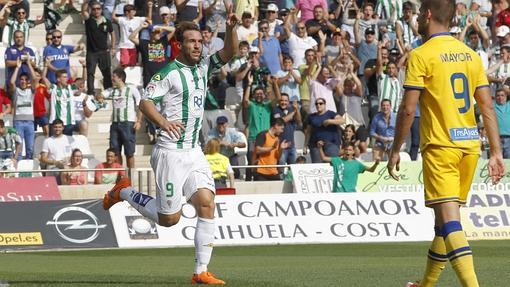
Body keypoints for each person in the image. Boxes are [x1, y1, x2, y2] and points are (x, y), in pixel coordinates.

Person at [103, 17, 239, 285]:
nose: (198, 46)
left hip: (194, 152)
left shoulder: (203, 67)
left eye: (201, 41)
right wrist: (163, 122)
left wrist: (232, 29)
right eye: (192, 41)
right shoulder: (166, 73)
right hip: (169, 153)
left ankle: (200, 272)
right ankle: (124, 191)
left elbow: (229, 52)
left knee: (207, 203)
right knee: (169, 219)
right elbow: (145, 102)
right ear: (179, 44)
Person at [386, 1, 506, 286]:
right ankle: (426, 284)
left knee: (451, 223)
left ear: (427, 15)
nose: (416, 18)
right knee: (443, 222)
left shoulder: (421, 54)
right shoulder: (470, 55)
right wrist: (496, 152)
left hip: (441, 146)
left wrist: (395, 150)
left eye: (417, 14)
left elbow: (407, 109)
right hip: (469, 148)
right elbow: (486, 107)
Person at [103, 68, 142, 169]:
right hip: (115, 124)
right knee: (115, 152)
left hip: (128, 124)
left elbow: (140, 105)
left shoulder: (132, 89)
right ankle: (120, 176)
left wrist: (138, 121)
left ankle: (131, 177)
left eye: (114, 76)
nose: (112, 79)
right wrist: (99, 98)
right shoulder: (112, 90)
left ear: (120, 78)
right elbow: (101, 95)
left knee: (129, 152)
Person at [81, 0, 115, 95]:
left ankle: (108, 91)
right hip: (92, 52)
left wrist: (113, 48)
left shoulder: (106, 21)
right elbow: (84, 12)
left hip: (104, 51)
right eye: (94, 9)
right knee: (90, 73)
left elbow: (112, 33)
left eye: (98, 9)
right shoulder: (89, 20)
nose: (96, 11)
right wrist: (85, 3)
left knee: (107, 72)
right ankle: (90, 92)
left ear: (101, 10)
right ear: (91, 10)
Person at [10, 56, 37, 160]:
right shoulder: (16, 90)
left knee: (30, 148)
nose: (23, 81)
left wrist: (29, 63)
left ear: (28, 81)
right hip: (18, 122)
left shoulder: (31, 91)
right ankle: (19, 168)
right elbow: (12, 82)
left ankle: (29, 168)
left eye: (26, 80)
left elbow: (35, 79)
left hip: (30, 122)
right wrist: (17, 67)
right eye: (21, 79)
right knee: (19, 148)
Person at [303, 98, 343, 163]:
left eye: (321, 103)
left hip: (331, 144)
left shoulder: (331, 113)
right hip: (316, 145)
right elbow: (308, 132)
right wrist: (305, 146)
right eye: (316, 104)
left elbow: (342, 121)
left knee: (334, 164)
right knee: (318, 167)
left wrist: (330, 121)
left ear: (325, 105)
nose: (318, 105)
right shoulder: (311, 116)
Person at [42, 63, 75, 136]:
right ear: (58, 79)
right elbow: (44, 77)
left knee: (67, 146)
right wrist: (46, 65)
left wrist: (84, 67)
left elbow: (82, 81)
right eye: (64, 77)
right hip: (55, 122)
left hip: (68, 122)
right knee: (53, 144)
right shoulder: (54, 88)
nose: (67, 79)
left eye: (67, 77)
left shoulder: (70, 88)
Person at [39, 119, 75, 184]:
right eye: (55, 127)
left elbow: (75, 154)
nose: (57, 129)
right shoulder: (47, 141)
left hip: (68, 166)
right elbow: (43, 159)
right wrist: (55, 162)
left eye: (59, 127)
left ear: (63, 128)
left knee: (78, 170)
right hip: (53, 167)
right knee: (58, 171)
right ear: (52, 128)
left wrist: (69, 158)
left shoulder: (69, 139)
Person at [272, 93, 301, 165]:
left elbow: (299, 121)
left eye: (286, 101)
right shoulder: (275, 110)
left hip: (292, 146)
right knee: (280, 170)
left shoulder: (291, 109)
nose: (283, 102)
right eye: (282, 100)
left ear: (288, 102)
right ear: (279, 101)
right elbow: (282, 121)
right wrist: (294, 112)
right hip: (280, 147)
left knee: (293, 170)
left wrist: (297, 110)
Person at [494, 88, 510, 158]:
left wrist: (503, 87)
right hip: (496, 138)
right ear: (495, 97)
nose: (500, 97)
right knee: (498, 160)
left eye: (502, 95)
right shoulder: (492, 106)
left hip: (509, 138)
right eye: (498, 95)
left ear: (506, 97)